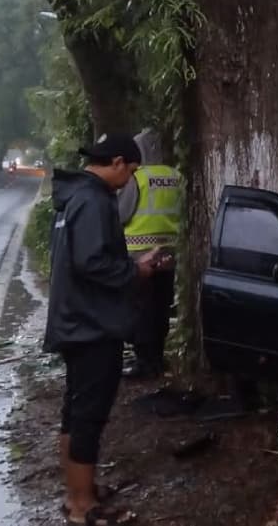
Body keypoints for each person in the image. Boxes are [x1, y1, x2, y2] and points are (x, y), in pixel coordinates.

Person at [43, 132, 171, 526]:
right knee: (88, 417)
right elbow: (92, 263)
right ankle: (82, 507)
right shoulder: (95, 200)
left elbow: (79, 258)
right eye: (131, 171)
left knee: (75, 411)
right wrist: (138, 270)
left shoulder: (73, 197)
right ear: (116, 162)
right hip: (92, 325)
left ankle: (77, 494)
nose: (130, 179)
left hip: (75, 319)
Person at [117, 128, 182, 380]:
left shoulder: (138, 178)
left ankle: (144, 362)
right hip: (168, 255)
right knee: (160, 308)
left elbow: (121, 213)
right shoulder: (175, 176)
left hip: (138, 256)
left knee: (141, 310)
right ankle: (157, 357)